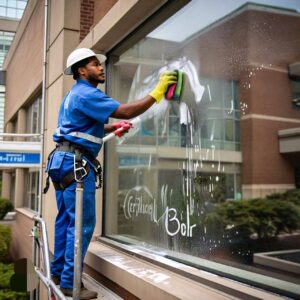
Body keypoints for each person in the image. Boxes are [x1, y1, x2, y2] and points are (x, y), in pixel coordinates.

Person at [45, 48, 177, 299]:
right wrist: (158, 92)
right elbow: (126, 110)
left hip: (61, 161)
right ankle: (71, 283)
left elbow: (81, 126)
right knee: (82, 224)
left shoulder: (73, 96)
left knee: (65, 221)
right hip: (75, 164)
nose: (102, 68)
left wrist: (111, 128)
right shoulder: (88, 93)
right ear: (81, 70)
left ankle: (59, 273)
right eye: (96, 64)